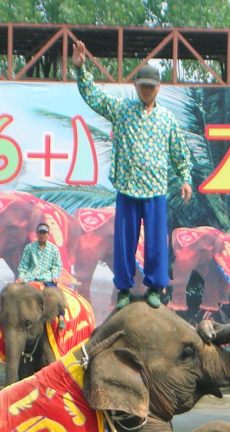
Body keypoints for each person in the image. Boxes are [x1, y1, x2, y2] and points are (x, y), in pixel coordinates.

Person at [71, 40, 192, 310]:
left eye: (151, 86)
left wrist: (185, 178)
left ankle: (154, 287)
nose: (147, 90)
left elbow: (179, 152)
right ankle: (124, 288)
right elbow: (95, 97)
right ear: (136, 87)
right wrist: (81, 70)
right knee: (124, 243)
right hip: (127, 188)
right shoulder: (122, 111)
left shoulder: (167, 119)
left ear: (158, 88)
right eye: (142, 86)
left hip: (155, 190)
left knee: (156, 243)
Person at [16, 222, 62, 287]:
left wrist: (54, 276)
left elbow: (56, 266)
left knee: (54, 295)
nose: (42, 235)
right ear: (37, 234)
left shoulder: (54, 249)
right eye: (40, 233)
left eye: (44, 233)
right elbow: (24, 265)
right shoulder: (29, 247)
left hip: (47, 279)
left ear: (48, 234)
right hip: (30, 278)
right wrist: (21, 277)